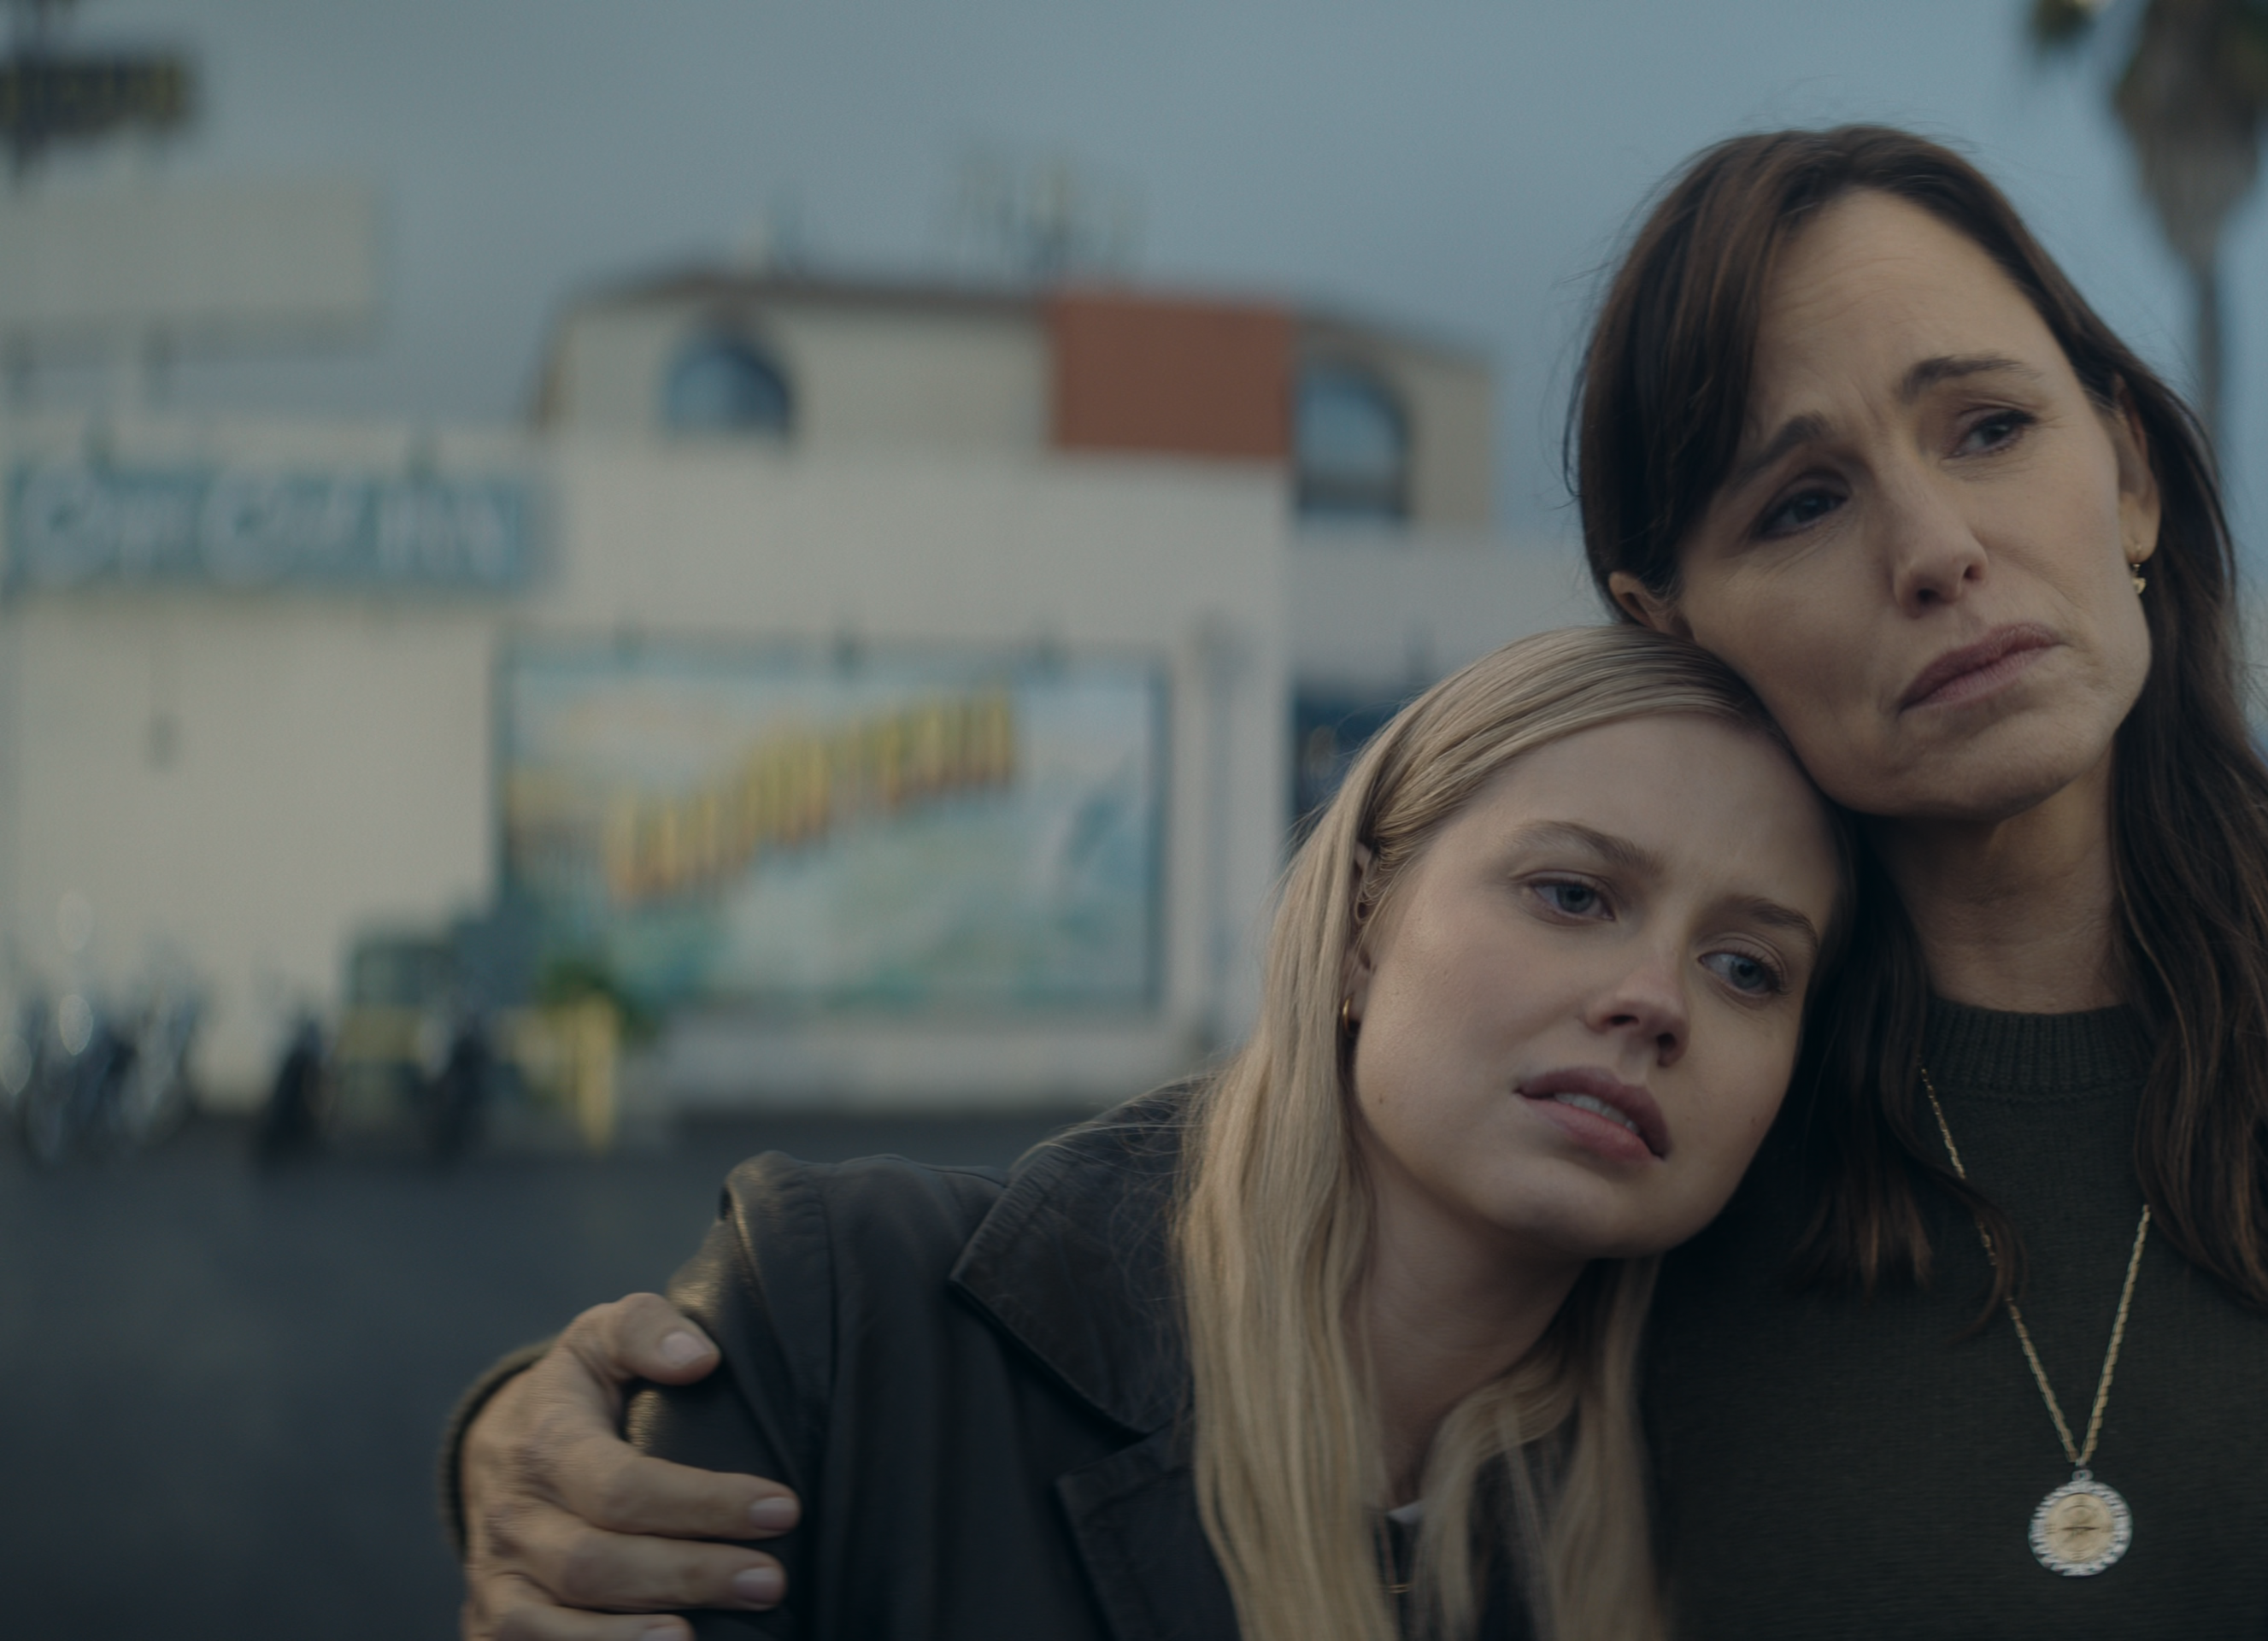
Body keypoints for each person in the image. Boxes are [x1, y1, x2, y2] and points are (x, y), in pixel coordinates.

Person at [450, 126, 2268, 1639]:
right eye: (1804, 496)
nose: (1936, 547)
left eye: (1990, 428)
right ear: (1678, 621)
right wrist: (582, 1424)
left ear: (2135, 480)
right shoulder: (1686, 1178)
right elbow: (1189, 1279)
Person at [481, 624, 1848, 1638]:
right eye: (1572, 894)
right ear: (1363, 925)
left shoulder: (1735, 1509)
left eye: (1749, 968)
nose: (1654, 1000)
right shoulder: (847, 1310)